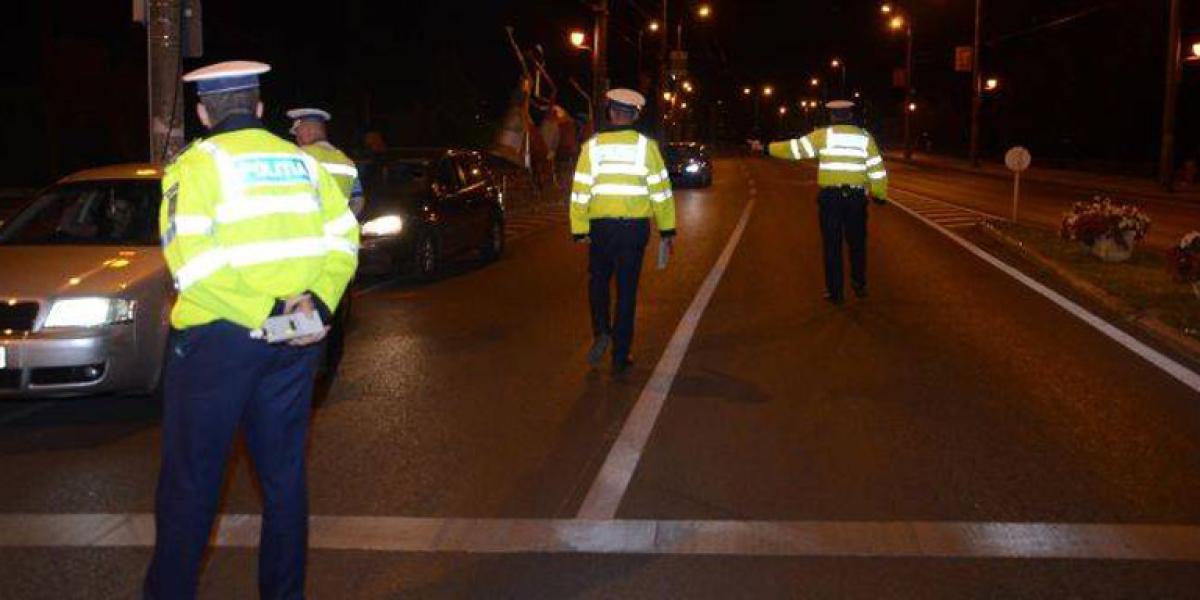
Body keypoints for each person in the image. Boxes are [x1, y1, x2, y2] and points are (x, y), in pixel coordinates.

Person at [145, 61, 359, 599]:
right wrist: (317, 309)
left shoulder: (197, 164)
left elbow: (193, 266)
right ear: (260, 108)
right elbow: (344, 238)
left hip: (218, 344)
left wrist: (265, 311)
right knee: (284, 483)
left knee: (191, 486)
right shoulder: (304, 163)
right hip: (294, 339)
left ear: (203, 113)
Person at [570, 88, 676, 374]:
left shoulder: (592, 147)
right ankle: (620, 355)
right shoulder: (647, 148)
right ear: (635, 116)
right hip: (633, 230)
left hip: (601, 229)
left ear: (610, 113)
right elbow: (662, 192)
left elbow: (580, 190)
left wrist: (580, 229)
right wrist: (667, 229)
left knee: (598, 282)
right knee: (627, 291)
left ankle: (601, 331)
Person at [754, 100, 888, 304]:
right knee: (857, 244)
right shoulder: (865, 138)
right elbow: (876, 169)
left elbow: (794, 149)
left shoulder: (823, 135)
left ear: (832, 116)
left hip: (831, 199)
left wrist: (765, 148)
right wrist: (879, 194)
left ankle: (835, 293)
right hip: (856, 200)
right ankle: (859, 284)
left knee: (832, 246)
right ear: (850, 115)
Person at [288, 107, 367, 217]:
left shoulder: (297, 156)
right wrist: (343, 222)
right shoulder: (347, 161)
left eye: (297, 133)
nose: (297, 139)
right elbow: (358, 201)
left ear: (307, 131)